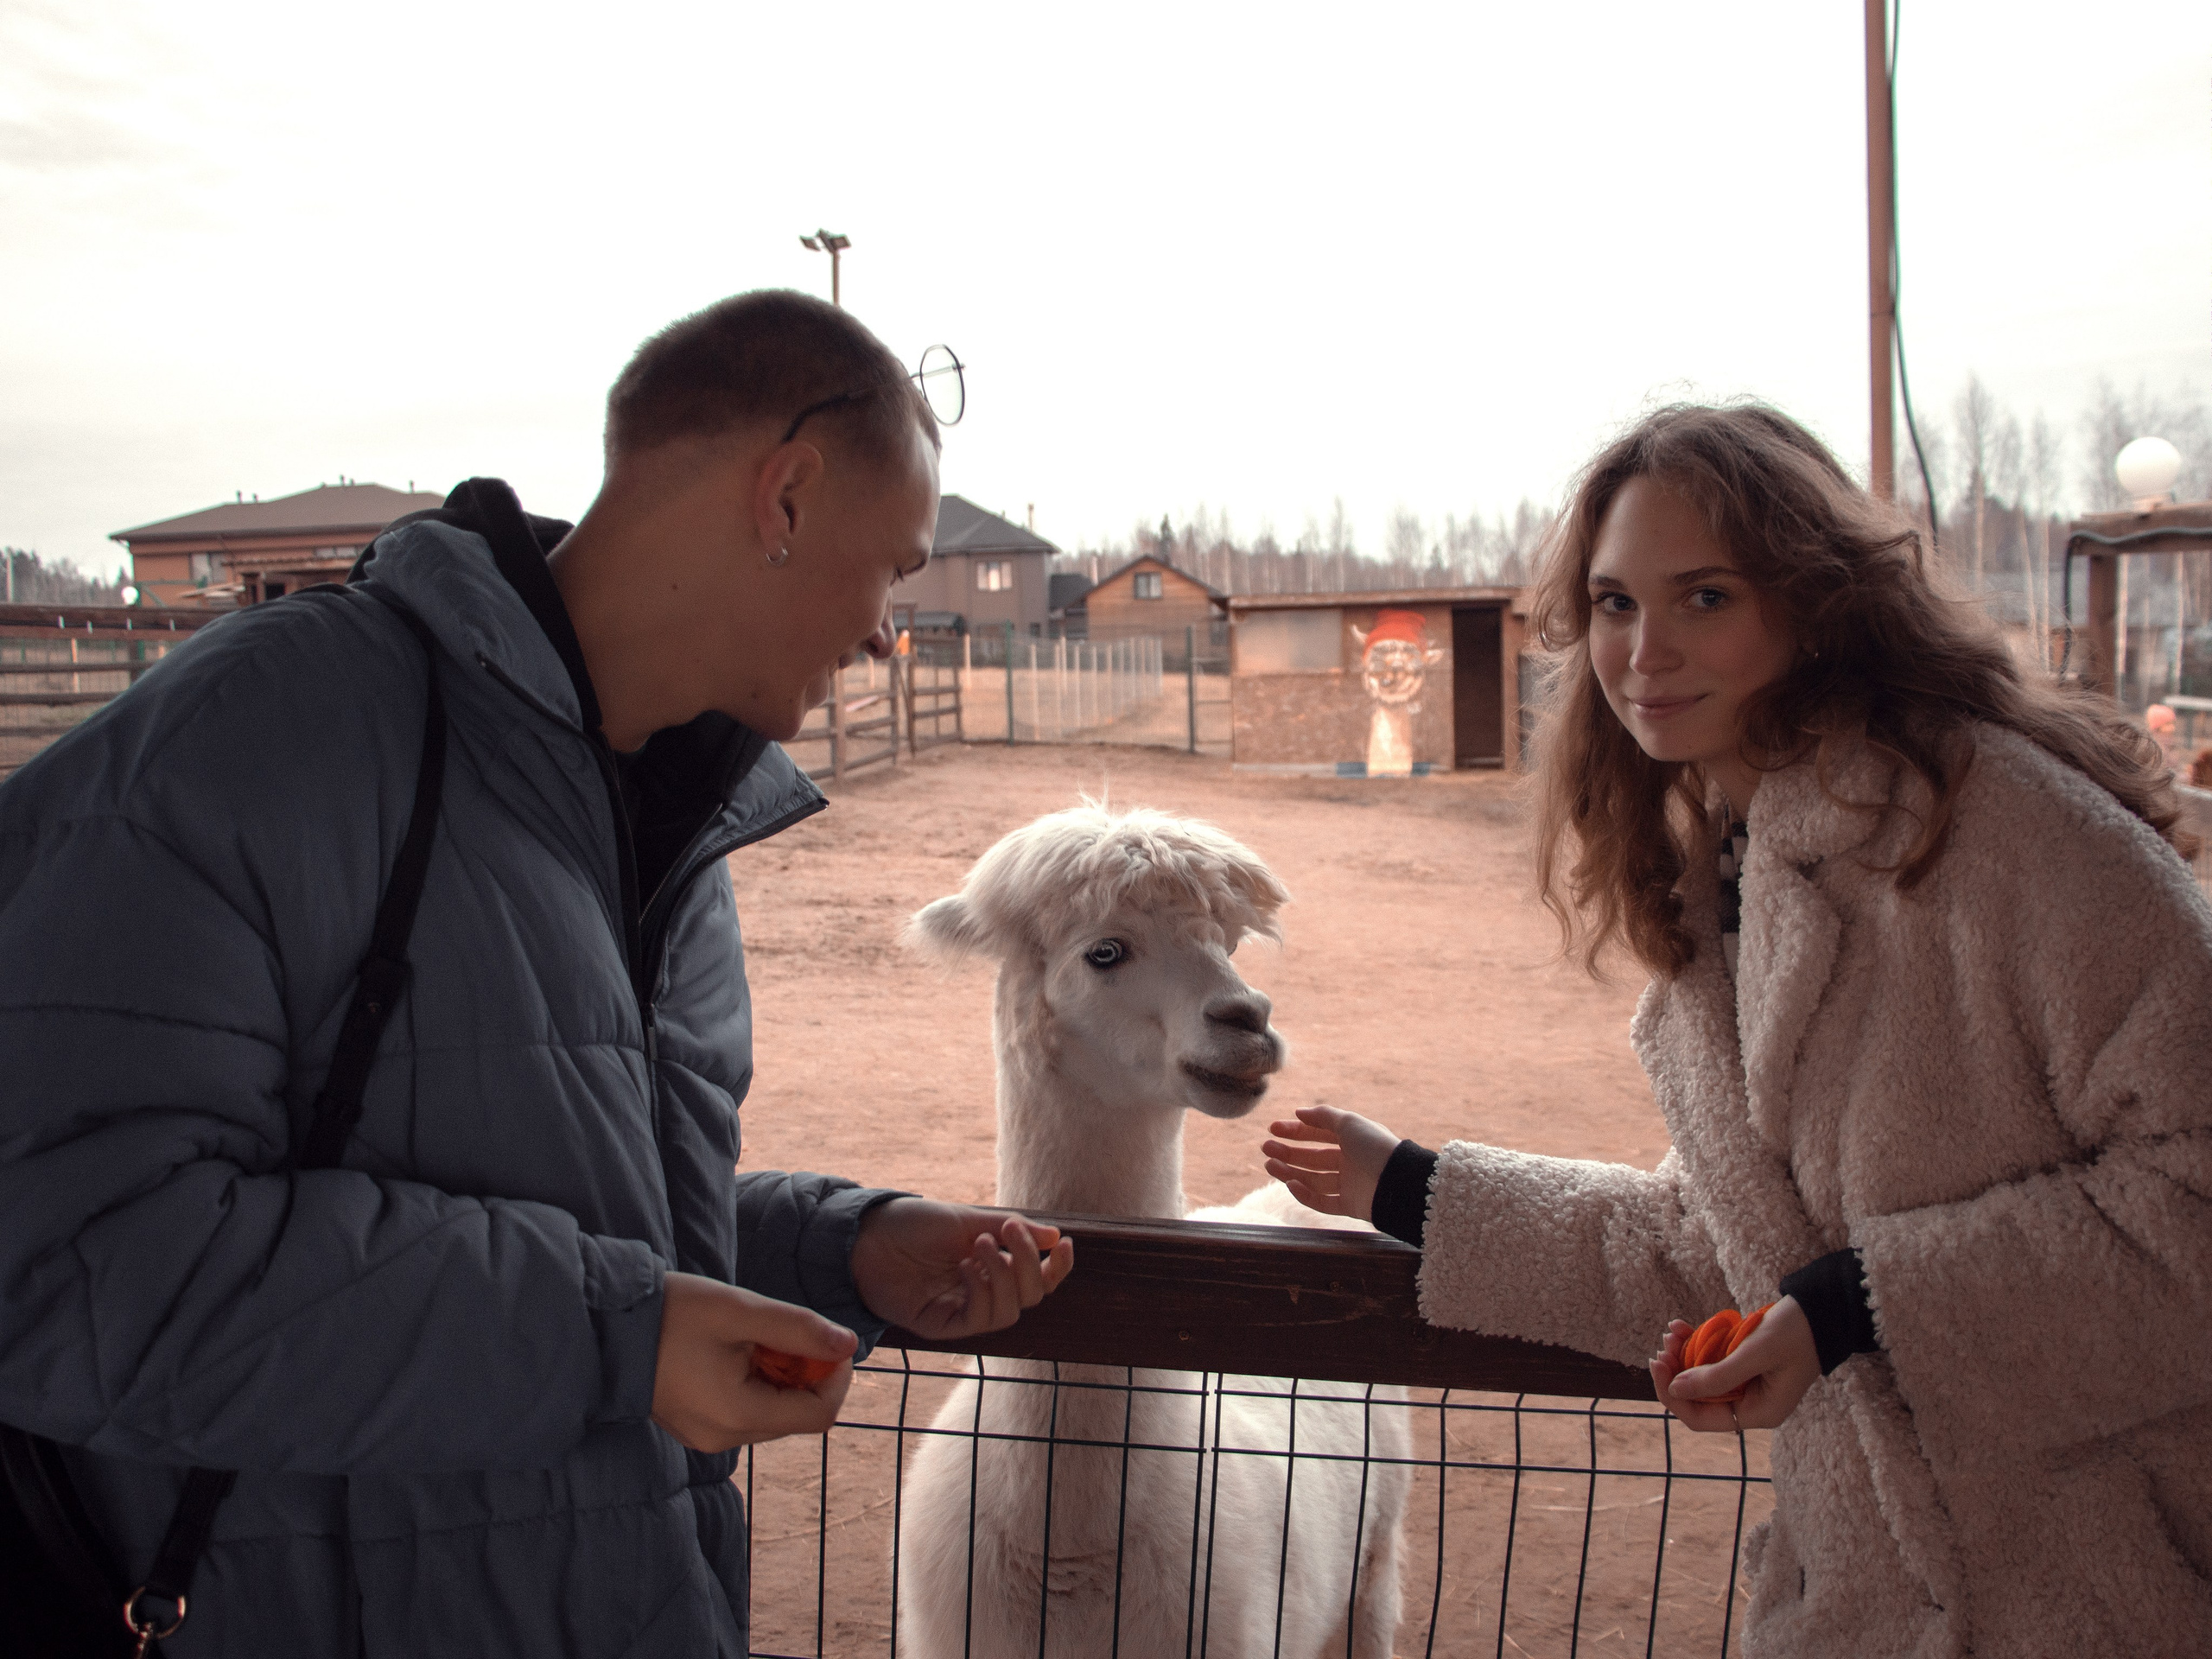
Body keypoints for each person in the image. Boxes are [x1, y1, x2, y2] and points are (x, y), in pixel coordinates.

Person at [0, 290, 1072, 1657]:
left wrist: (836, 1249)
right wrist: (614, 1338)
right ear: (788, 497)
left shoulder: (674, 824)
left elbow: (549, 1195)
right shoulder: (263, 737)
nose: (882, 634)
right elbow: (61, 1252)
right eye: (896, 570)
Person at [1262, 404, 2212, 1657]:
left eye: (1704, 597)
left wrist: (1859, 1308)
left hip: (2102, 1602)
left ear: (1814, 602)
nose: (1644, 649)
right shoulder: (1730, 889)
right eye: (1612, 604)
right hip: (1858, 1605)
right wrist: (1421, 1192)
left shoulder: (2009, 832)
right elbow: (1749, 1250)